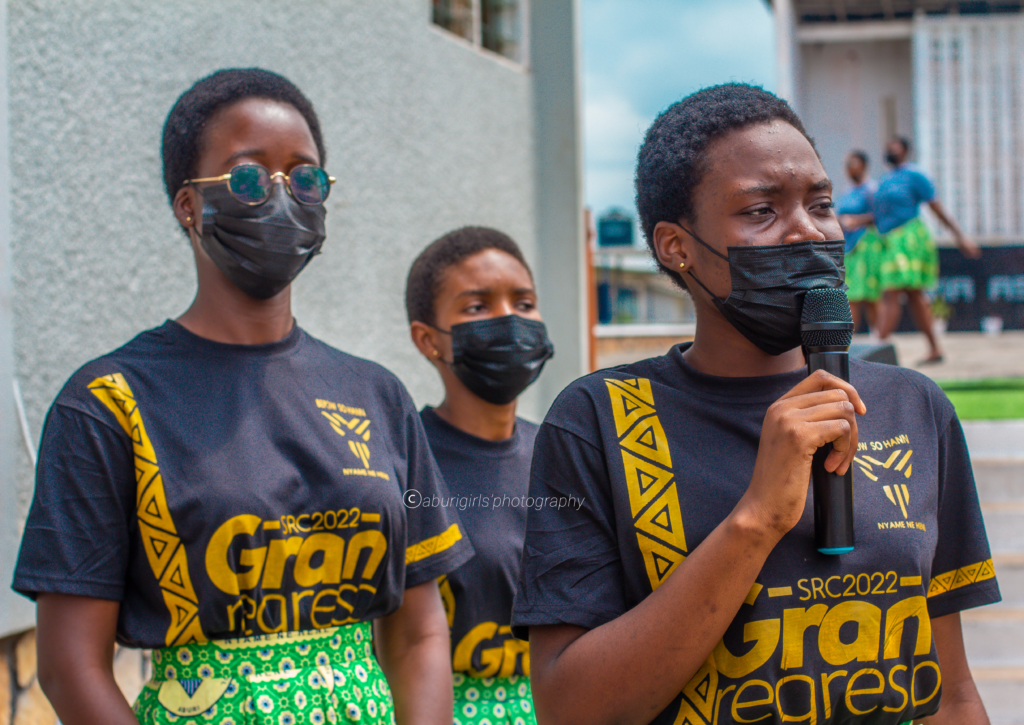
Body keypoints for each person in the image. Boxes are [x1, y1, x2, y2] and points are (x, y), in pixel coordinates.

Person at [511, 84, 999, 725]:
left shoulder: (913, 407)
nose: (807, 230)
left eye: (821, 204)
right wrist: (757, 518)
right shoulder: (598, 420)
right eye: (761, 210)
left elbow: (951, 693)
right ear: (675, 246)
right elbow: (570, 708)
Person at [12, 68, 473, 725]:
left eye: (306, 177)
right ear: (188, 205)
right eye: (249, 177)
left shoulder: (376, 395)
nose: (283, 196)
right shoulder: (108, 403)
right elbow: (69, 664)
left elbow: (420, 632)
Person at [405, 227, 554, 725]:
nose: (509, 320)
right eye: (477, 307)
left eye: (524, 302)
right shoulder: (404, 464)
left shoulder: (563, 457)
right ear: (427, 339)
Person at [873, 137, 980, 363]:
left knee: (892, 291)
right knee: (913, 294)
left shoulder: (915, 175)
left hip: (909, 239)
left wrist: (960, 237)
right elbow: (878, 216)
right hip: (889, 241)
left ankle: (875, 349)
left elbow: (937, 207)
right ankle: (934, 349)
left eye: (895, 148)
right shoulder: (884, 181)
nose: (890, 151)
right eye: (888, 148)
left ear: (906, 151)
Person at [835, 150, 882, 333]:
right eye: (847, 165)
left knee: (870, 295)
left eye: (853, 164)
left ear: (863, 166)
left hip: (866, 245)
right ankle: (848, 344)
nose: (850, 169)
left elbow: (879, 215)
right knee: (851, 294)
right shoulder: (847, 192)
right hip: (849, 248)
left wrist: (857, 221)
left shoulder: (872, 190)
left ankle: (879, 337)